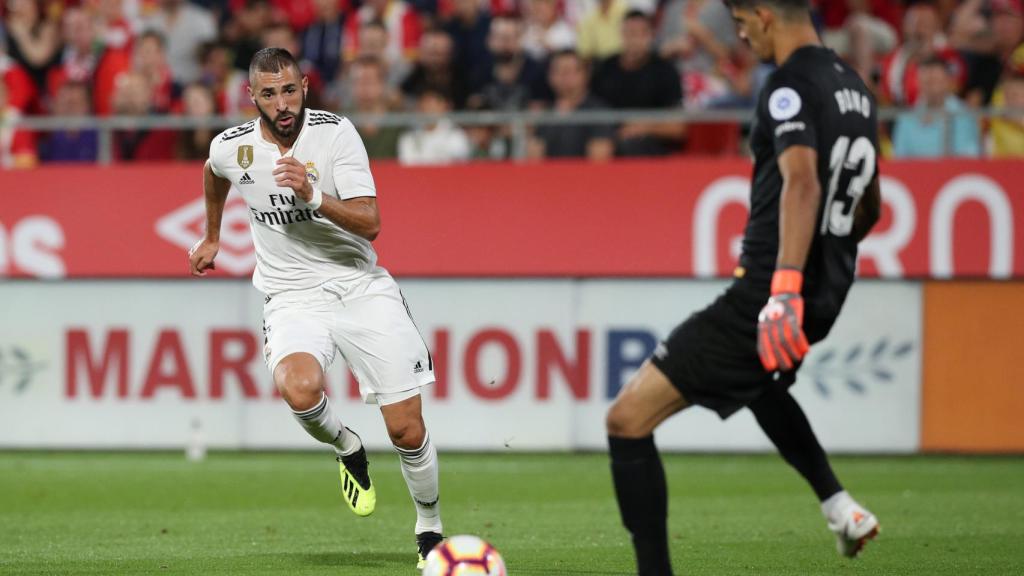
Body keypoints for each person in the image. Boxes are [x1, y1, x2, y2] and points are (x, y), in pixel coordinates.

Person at [605, 1, 883, 574]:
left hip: (770, 291)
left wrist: (784, 289)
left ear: (764, 15)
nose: (740, 35)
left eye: (740, 22)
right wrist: (823, 264)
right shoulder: (855, 88)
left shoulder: (789, 87)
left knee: (627, 420)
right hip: (829, 290)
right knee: (756, 378)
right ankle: (839, 506)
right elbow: (869, 206)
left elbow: (801, 183)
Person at [188, 48, 444, 569]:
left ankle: (429, 528)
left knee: (406, 430)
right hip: (291, 295)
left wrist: (312, 194)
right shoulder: (231, 147)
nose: (282, 104)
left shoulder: (336, 134)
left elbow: (371, 223)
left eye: (289, 90)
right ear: (251, 96)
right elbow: (214, 172)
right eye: (269, 94)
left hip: (358, 286)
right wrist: (212, 235)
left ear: (304, 86)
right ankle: (348, 446)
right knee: (299, 388)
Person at [891, 55, 981, 158]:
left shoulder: (964, 115)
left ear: (948, 81)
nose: (931, 87)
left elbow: (969, 158)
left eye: (936, 81)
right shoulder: (906, 120)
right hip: (915, 169)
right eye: (926, 82)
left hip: (953, 168)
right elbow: (899, 158)